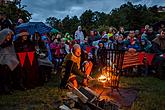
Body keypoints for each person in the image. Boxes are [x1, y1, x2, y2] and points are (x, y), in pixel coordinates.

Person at [0, 28, 19, 94]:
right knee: (5, 69)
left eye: (10, 35)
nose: (9, 37)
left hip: (10, 61)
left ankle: (13, 85)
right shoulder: (1, 44)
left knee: (17, 66)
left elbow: (13, 54)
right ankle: (5, 87)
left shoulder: (11, 44)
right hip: (2, 62)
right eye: (8, 35)